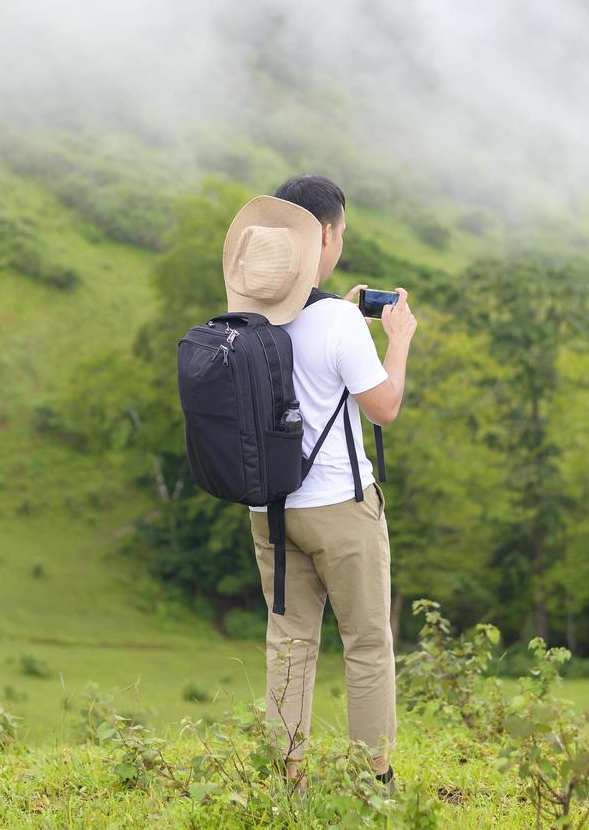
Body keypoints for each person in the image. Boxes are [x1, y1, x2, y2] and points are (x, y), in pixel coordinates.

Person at [232, 173, 417, 787]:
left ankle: (287, 782)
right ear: (328, 235)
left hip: (270, 507)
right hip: (340, 508)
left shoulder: (245, 318)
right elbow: (384, 406)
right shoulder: (338, 325)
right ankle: (372, 782)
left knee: (288, 645)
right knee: (366, 645)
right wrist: (398, 342)